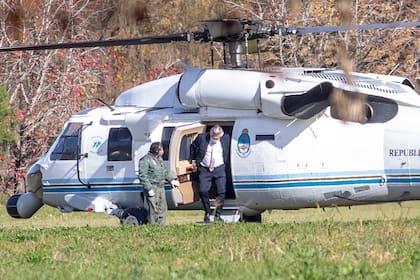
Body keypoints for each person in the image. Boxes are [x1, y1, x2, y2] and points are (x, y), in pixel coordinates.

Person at [190, 125, 230, 223]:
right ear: (211, 134)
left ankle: (218, 214)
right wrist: (193, 160)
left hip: (219, 168)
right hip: (205, 168)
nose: (215, 139)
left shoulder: (226, 139)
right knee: (203, 190)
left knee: (222, 191)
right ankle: (207, 212)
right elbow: (193, 147)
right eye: (214, 137)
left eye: (217, 137)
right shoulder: (201, 138)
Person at [139, 142, 179, 225]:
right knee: (153, 209)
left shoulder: (159, 159)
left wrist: (171, 180)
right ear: (157, 150)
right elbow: (142, 175)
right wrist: (148, 188)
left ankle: (161, 226)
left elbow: (164, 171)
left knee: (162, 208)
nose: (163, 151)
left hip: (161, 187)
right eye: (161, 149)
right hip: (153, 187)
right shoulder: (145, 160)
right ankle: (153, 226)